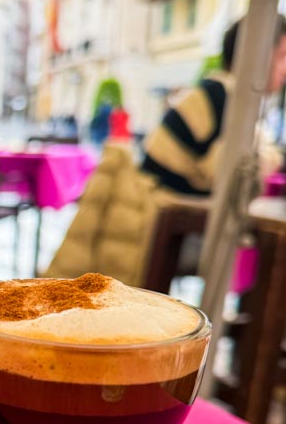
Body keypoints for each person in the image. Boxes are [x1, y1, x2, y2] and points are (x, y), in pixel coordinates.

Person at [47, 16, 286, 285]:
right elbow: (228, 175)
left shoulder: (218, 93)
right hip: (155, 226)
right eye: (282, 55)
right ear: (257, 53)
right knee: (271, 254)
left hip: (150, 216)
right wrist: (272, 157)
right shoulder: (225, 99)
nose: (285, 68)